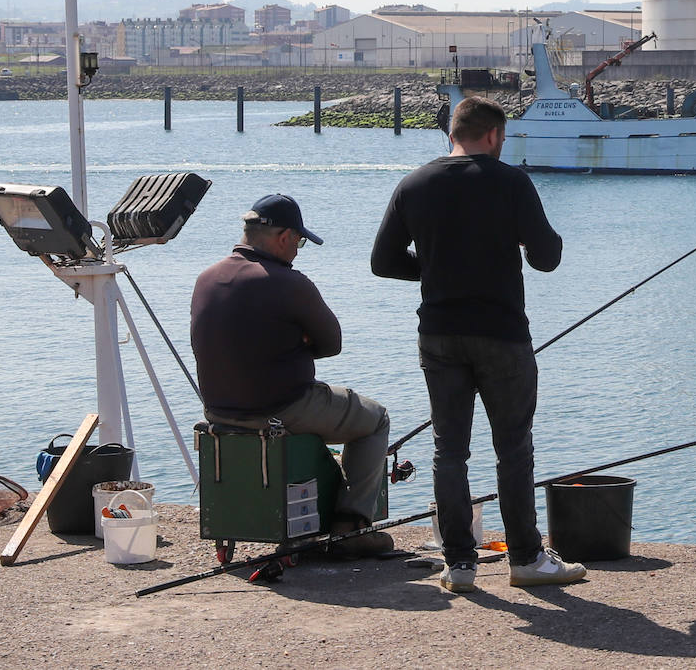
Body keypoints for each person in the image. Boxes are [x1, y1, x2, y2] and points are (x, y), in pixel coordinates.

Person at [370, 95, 586, 592]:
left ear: (453, 132)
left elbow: (382, 261)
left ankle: (460, 564)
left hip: (439, 333)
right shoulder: (511, 181)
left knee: (450, 450)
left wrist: (433, 271)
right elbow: (547, 257)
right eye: (502, 139)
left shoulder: (414, 183)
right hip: (502, 333)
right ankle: (526, 558)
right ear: (493, 136)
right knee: (513, 448)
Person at [190, 193, 393, 557]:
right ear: (284, 237)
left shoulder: (207, 277)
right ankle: (352, 525)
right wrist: (295, 342)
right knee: (375, 418)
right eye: (298, 242)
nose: (298, 251)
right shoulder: (288, 282)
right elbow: (332, 343)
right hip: (282, 405)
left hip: (218, 411)